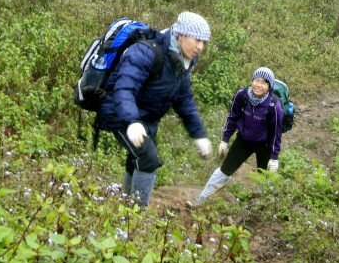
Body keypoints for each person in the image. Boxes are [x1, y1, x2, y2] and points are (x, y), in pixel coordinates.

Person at [96, 11, 213, 206]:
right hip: (119, 112)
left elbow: (184, 101)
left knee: (137, 159)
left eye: (204, 42)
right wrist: (132, 121)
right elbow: (124, 88)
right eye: (197, 40)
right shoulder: (146, 52)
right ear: (181, 35)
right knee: (148, 159)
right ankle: (136, 215)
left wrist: (199, 135)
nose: (201, 47)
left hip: (146, 118)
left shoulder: (182, 62)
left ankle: (125, 207)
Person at [186, 67, 283, 207]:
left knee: (265, 178)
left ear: (269, 86)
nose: (259, 85)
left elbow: (276, 133)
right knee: (224, 170)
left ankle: (265, 208)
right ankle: (201, 199)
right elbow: (232, 117)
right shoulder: (242, 95)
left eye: (264, 82)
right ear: (252, 81)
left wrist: (274, 158)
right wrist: (224, 140)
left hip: (265, 145)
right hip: (243, 140)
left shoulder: (274, 105)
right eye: (257, 80)